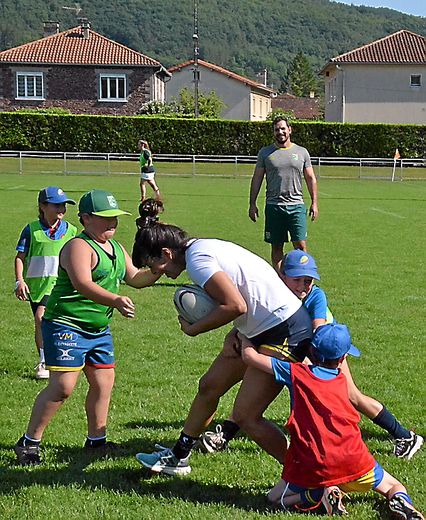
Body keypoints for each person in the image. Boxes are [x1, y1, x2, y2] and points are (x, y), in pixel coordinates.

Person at [131, 202, 312, 476]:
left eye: (153, 265)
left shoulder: (198, 261)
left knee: (246, 417)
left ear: (167, 253)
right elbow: (247, 294)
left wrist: (194, 329)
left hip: (285, 331)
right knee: (210, 385)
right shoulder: (199, 248)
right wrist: (237, 332)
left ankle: (305, 476)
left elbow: (235, 305)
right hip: (259, 328)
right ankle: (179, 456)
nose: (157, 273)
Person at [199, 249, 423, 460]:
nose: (303, 286)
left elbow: (318, 330)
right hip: (290, 346)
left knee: (351, 396)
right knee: (256, 386)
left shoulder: (316, 297)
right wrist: (235, 334)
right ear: (281, 276)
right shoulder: (271, 291)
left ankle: (404, 436)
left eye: (308, 280)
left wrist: (308, 361)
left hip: (324, 350)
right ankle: (225, 436)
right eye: (296, 279)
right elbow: (255, 317)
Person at [14, 190, 160, 466]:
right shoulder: (78, 246)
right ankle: (29, 442)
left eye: (115, 217)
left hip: (98, 329)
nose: (112, 223)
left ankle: (96, 441)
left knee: (104, 383)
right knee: (63, 386)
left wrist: (158, 269)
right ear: (85, 218)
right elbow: (82, 283)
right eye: (105, 218)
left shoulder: (116, 249)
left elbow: (136, 278)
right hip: (65, 324)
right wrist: (115, 300)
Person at [240, 323, 424, 520]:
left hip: (313, 466)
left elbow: (250, 357)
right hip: (354, 460)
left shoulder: (296, 373)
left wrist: (244, 338)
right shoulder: (341, 380)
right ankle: (402, 503)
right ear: (343, 359)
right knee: (393, 486)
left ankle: (316, 494)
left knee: (275, 499)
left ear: (311, 351)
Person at [14, 186, 77, 379]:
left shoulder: (72, 231)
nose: (62, 210)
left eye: (64, 206)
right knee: (42, 323)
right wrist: (20, 281)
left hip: (60, 284)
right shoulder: (31, 230)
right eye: (56, 205)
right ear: (42, 206)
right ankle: (52, 358)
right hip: (37, 288)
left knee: (42, 318)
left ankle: (46, 362)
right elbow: (20, 257)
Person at [248, 116, 318, 270]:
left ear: (289, 130)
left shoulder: (301, 152)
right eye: (277, 129)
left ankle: (303, 278)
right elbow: (257, 178)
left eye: (283, 128)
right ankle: (280, 281)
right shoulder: (265, 153)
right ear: (273, 132)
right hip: (274, 207)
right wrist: (252, 204)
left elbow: (310, 178)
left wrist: (314, 203)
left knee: (300, 246)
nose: (280, 132)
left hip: (296, 206)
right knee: (277, 248)